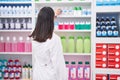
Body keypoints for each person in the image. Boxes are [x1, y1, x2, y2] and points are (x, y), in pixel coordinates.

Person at [30, 7, 67, 80]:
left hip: (37, 73)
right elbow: (59, 65)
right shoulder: (55, 39)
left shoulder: (33, 35)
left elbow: (44, 20)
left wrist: (54, 14)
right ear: (51, 21)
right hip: (49, 75)